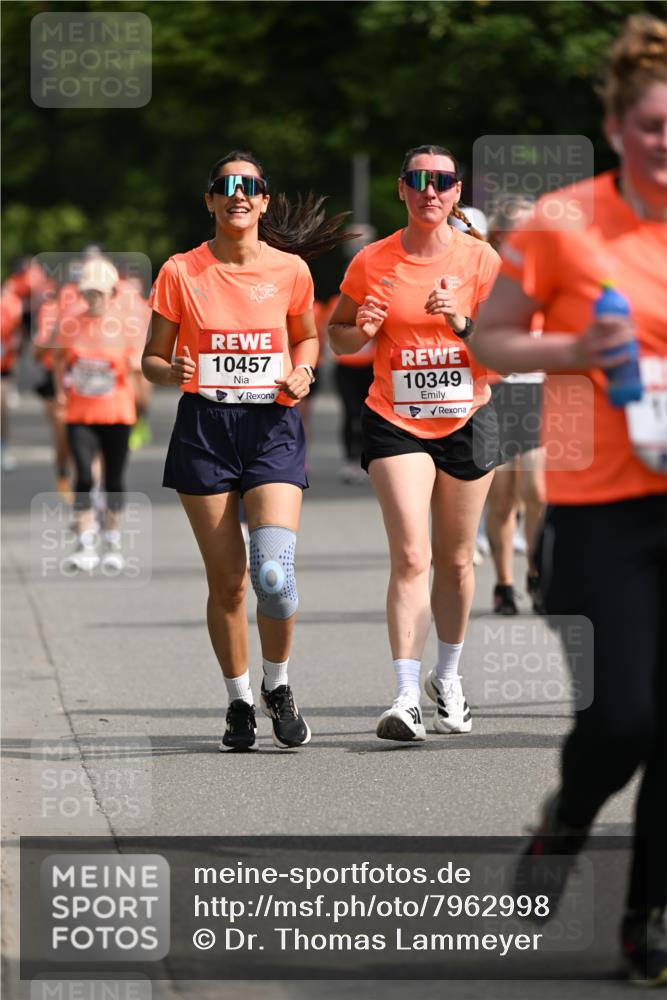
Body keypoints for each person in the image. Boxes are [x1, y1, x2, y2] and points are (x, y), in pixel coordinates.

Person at [470, 16, 667, 985]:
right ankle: (568, 820)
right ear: (617, 123)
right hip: (599, 504)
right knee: (623, 717)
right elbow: (491, 336)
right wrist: (572, 352)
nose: (665, 143)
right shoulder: (563, 222)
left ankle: (651, 914)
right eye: (653, 125)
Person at [142, 150, 350, 752]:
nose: (238, 194)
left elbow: (307, 337)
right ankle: (238, 701)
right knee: (229, 582)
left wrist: (306, 371)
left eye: (249, 186)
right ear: (210, 200)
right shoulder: (181, 270)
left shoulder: (291, 271)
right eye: (225, 186)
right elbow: (152, 360)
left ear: (263, 199)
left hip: (273, 428)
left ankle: (278, 686)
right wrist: (171, 369)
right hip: (205, 429)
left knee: (273, 576)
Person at [328, 144, 501, 742]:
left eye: (444, 181)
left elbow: (506, 352)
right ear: (401, 189)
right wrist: (363, 330)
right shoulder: (372, 261)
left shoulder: (482, 260)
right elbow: (338, 340)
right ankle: (404, 696)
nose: (432, 190)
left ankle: (446, 678)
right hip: (394, 418)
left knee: (455, 562)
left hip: (468, 417)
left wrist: (462, 323)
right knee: (410, 555)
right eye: (420, 180)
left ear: (457, 194)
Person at [53, 257, 141, 571]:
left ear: (113, 292)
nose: (92, 299)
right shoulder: (71, 322)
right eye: (87, 292)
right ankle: (84, 541)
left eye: (98, 293)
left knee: (114, 478)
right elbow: (60, 361)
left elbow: (140, 363)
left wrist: (134, 365)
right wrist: (61, 392)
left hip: (117, 413)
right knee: (85, 475)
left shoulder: (126, 324)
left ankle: (113, 540)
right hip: (80, 413)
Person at [484, 195, 546, 615]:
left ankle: (537, 574)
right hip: (493, 394)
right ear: (501, 233)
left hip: (539, 390)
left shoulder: (550, 270)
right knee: (503, 496)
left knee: (537, 491)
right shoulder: (483, 273)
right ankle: (504, 584)